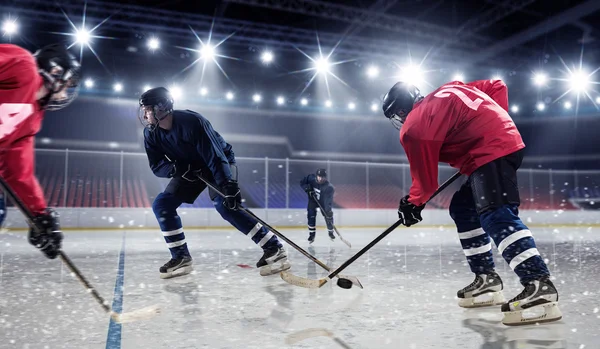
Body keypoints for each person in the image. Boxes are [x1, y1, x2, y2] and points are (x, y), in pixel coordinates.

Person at [382, 79, 561, 326]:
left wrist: (412, 204)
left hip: (491, 149)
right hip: (495, 146)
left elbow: (425, 183)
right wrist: (491, 123)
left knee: (495, 213)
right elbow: (497, 86)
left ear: (401, 110)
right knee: (463, 208)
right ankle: (487, 278)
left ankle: (539, 284)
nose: (399, 120)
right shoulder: (449, 87)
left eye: (396, 114)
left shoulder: (414, 124)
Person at [140, 87, 291, 279]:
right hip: (190, 170)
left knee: (226, 206)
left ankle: (274, 248)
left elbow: (215, 156)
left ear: (161, 108)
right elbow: (157, 165)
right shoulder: (150, 134)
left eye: (147, 110)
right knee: (162, 205)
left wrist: (227, 184)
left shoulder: (192, 122)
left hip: (218, 163)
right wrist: (176, 169)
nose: (145, 115)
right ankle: (181, 257)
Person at [0, 43, 81, 259]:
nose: (65, 94)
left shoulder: (32, 119)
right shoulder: (22, 64)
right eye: (67, 84)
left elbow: (19, 173)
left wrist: (40, 215)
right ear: (55, 72)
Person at [300, 169, 335, 243]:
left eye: (323, 177)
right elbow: (302, 182)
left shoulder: (329, 187)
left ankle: (330, 231)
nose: (321, 178)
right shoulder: (310, 178)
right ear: (316, 176)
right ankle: (312, 234)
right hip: (313, 200)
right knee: (311, 214)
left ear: (326, 177)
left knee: (328, 215)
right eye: (319, 176)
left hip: (323, 202)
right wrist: (307, 189)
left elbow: (328, 201)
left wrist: (328, 211)